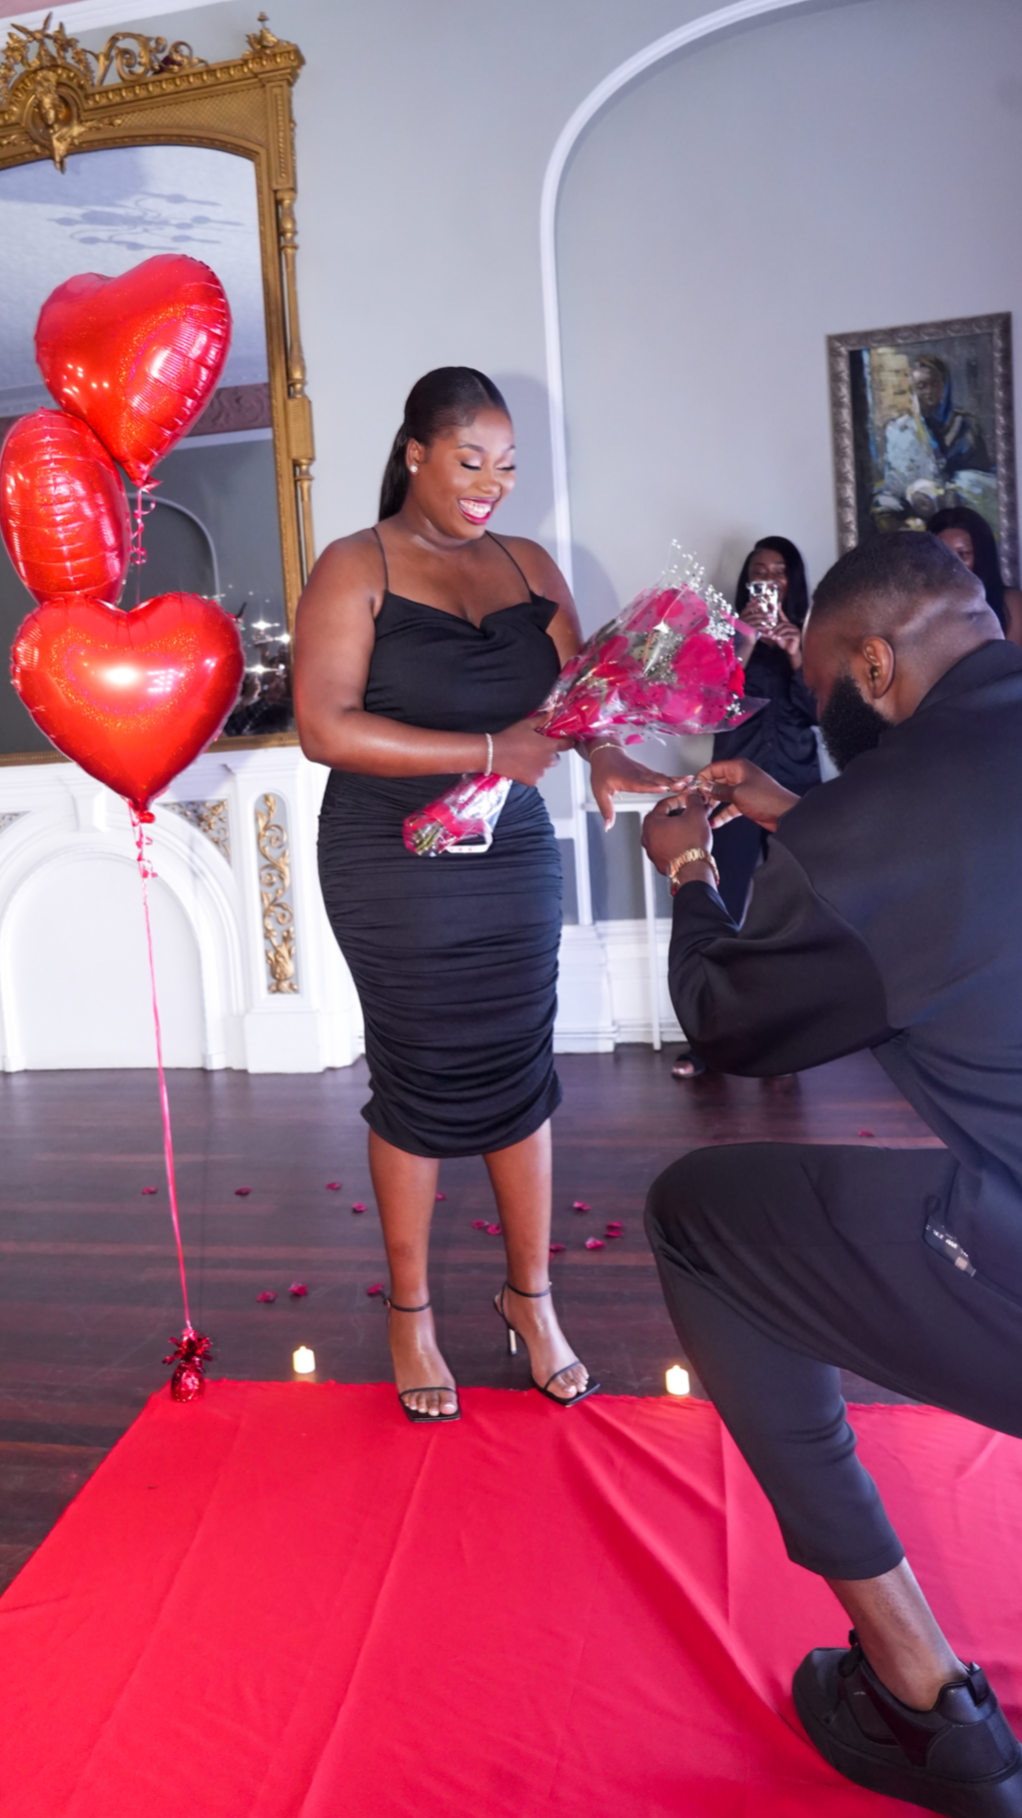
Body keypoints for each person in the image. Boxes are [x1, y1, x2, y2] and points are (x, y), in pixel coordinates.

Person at [641, 532, 1022, 1815]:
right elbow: (968, 889)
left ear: (868, 663)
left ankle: (918, 1690)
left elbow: (730, 1020)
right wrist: (807, 823)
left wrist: (692, 872)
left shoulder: (879, 820)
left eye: (816, 691)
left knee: (698, 1219)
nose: (821, 710)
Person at [293, 366, 677, 1423]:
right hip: (388, 858)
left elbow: (576, 701)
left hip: (505, 853)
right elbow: (322, 728)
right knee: (417, 1072)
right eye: (469, 462)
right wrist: (484, 747)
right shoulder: (353, 567)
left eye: (505, 469)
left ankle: (529, 1297)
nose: (489, 487)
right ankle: (410, 1313)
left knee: (518, 1060)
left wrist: (600, 753)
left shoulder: (528, 563)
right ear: (413, 451)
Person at [671, 536, 819, 1079]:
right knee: (720, 910)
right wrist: (748, 641)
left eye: (780, 571)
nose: (770, 580)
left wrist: (798, 652)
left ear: (794, 580)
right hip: (729, 790)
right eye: (760, 571)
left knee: (796, 917)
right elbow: (706, 707)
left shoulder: (817, 633)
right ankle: (708, 1042)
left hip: (798, 790)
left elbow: (825, 713)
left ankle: (790, 1039)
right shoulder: (724, 632)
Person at [930, 504, 1022, 648]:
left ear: (981, 555)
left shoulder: (1010, 603)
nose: (954, 563)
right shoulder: (921, 604)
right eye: (944, 553)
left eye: (963, 553)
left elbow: (1013, 665)